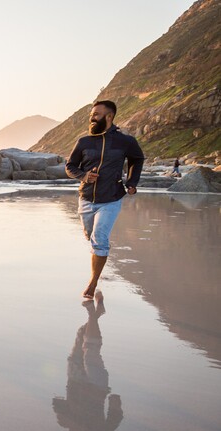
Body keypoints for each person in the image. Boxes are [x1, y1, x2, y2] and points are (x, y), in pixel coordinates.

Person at [65, 100, 144, 299]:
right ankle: (101, 253)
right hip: (86, 198)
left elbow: (137, 159)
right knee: (90, 235)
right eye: (92, 114)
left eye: (97, 114)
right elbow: (70, 166)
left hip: (111, 197)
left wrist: (132, 181)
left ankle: (93, 283)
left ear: (109, 116)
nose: (92, 117)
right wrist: (83, 176)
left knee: (99, 239)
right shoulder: (84, 141)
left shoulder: (125, 141)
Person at [52, 291, 123, 431]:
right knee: (91, 348)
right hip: (95, 385)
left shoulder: (66, 423)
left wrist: (65, 416)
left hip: (75, 380)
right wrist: (111, 400)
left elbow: (56, 402)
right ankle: (93, 312)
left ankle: (97, 314)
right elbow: (116, 406)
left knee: (81, 335)